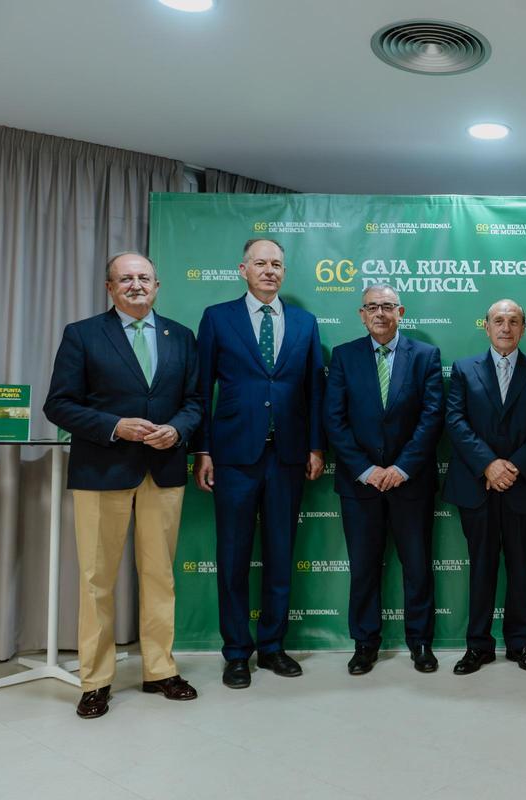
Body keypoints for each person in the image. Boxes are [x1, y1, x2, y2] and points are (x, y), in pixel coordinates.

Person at [43, 251, 201, 718]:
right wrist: (115, 426)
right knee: (96, 580)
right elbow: (59, 404)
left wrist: (178, 429)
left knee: (160, 576)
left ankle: (160, 671)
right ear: (109, 288)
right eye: (125, 278)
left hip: (165, 469)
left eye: (144, 278)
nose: (136, 285)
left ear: (157, 285)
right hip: (102, 470)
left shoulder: (182, 336)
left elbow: (194, 401)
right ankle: (96, 681)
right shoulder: (83, 334)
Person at [193, 238, 325, 689]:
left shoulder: (305, 323)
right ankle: (236, 653)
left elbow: (314, 391)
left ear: (284, 272)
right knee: (232, 556)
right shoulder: (217, 318)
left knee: (280, 554)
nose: (270, 270)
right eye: (261, 263)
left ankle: (272, 647)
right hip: (232, 456)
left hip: (287, 456)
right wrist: (203, 450)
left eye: (277, 264)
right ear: (243, 269)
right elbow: (200, 389)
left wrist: (314, 446)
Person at [323, 283, 444, 675]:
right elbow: (334, 420)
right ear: (361, 314)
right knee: (363, 567)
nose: (379, 313)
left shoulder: (425, 356)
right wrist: (367, 469)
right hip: (360, 484)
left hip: (410, 482)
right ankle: (364, 643)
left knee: (417, 566)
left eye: (387, 306)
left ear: (401, 312)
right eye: (371, 307)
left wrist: (401, 467)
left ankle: (421, 642)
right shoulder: (344, 357)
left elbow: (431, 418)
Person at [443, 299, 526, 674]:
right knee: (481, 567)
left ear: (524, 328)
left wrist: (514, 467)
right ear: (486, 326)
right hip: (478, 486)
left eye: (513, 321)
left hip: (524, 486)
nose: (505, 327)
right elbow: (456, 421)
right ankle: (478, 645)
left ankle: (520, 644)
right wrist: (489, 465)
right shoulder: (463, 369)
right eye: (498, 321)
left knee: (522, 567)